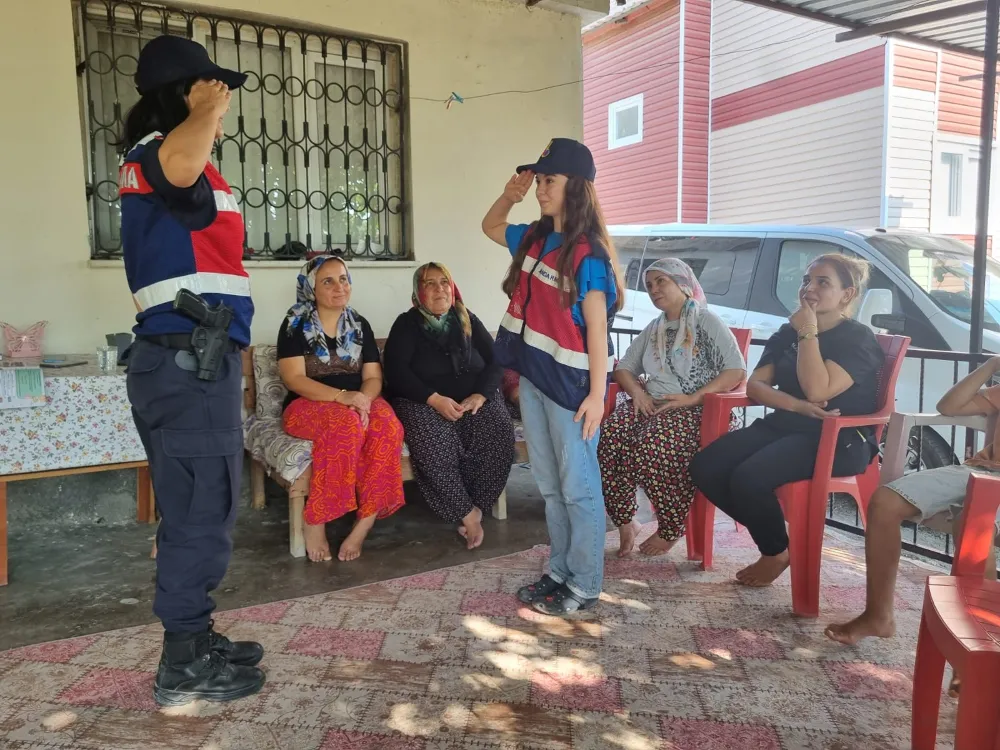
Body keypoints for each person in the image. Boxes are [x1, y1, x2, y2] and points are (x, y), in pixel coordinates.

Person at [118, 35, 264, 706]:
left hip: (185, 361)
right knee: (203, 509)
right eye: (214, 92)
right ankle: (183, 663)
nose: (224, 106)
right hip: (189, 363)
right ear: (187, 94)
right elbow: (179, 168)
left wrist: (203, 115)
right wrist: (204, 111)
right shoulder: (160, 154)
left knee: (195, 506)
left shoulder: (172, 158)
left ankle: (195, 637)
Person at [481, 137, 624, 616]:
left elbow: (598, 330)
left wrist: (598, 396)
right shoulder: (535, 238)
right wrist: (509, 195)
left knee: (579, 488)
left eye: (549, 181)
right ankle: (560, 571)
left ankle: (584, 583)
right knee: (550, 486)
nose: (541, 189)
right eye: (539, 180)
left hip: (573, 391)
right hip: (536, 381)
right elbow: (491, 225)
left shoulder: (589, 255)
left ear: (576, 187)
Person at [689, 254, 884, 587]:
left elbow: (817, 388)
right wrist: (797, 406)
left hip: (838, 439)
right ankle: (779, 545)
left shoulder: (857, 338)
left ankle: (773, 550)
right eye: (806, 280)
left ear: (847, 294)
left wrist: (808, 332)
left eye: (823, 282)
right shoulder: (787, 331)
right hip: (788, 424)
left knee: (750, 478)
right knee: (706, 466)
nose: (809, 288)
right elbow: (756, 386)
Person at [825, 356, 1000, 648]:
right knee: (885, 502)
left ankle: (984, 643)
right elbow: (948, 406)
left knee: (972, 527)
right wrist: (992, 365)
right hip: (980, 470)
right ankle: (878, 616)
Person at [599, 259, 746, 557]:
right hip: (654, 402)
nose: (653, 289)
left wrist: (693, 398)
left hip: (699, 408)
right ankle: (626, 521)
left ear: (683, 283)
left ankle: (671, 527)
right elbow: (624, 368)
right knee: (609, 437)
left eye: (661, 281)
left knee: (652, 444)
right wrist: (638, 393)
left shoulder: (706, 321)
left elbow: (736, 371)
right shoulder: (655, 327)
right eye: (649, 285)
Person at [277, 255, 405, 563]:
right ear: (311, 287)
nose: (340, 287)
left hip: (357, 400)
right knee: (344, 425)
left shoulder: (359, 325)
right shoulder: (294, 324)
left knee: (388, 426)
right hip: (308, 404)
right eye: (328, 281)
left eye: (344, 279)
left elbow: (373, 377)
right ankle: (316, 520)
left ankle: (365, 522)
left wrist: (363, 400)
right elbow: (294, 379)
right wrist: (341, 397)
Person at [382, 262, 515, 547]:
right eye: (429, 283)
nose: (439, 289)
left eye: (444, 282)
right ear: (418, 291)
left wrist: (481, 395)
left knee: (498, 429)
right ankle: (467, 514)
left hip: (472, 398)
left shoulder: (467, 318)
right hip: (422, 401)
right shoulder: (407, 324)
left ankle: (478, 503)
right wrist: (434, 399)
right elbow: (396, 372)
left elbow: (496, 361)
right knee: (433, 442)